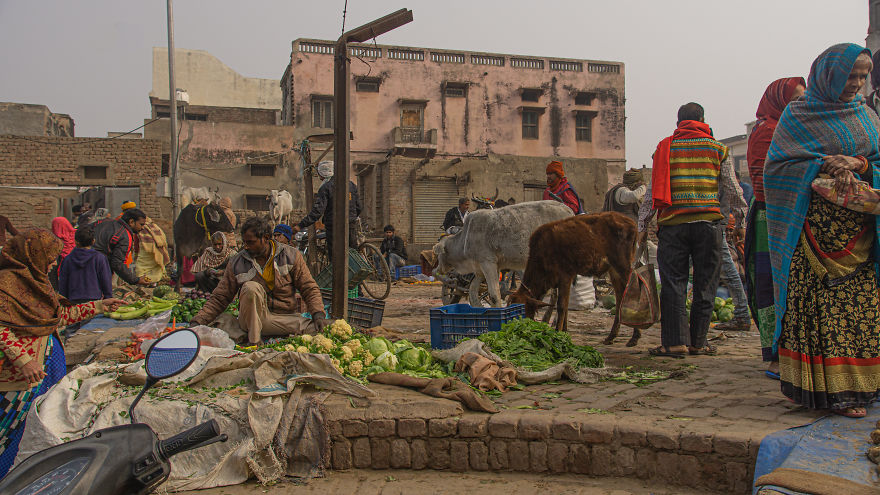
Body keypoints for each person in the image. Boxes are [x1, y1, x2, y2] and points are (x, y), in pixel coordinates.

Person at [765, 44, 880, 418]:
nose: (857, 83)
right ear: (828, 74)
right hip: (811, 234)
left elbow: (877, 160)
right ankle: (830, 393)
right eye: (850, 75)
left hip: (861, 235)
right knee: (820, 311)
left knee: (861, 311)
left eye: (863, 76)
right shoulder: (797, 116)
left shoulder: (868, 117)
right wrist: (824, 166)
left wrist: (858, 163)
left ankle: (862, 387)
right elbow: (778, 169)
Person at [0, 229, 124, 476]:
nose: (55, 262)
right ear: (33, 255)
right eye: (51, 257)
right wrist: (23, 360)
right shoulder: (6, 284)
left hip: (45, 367)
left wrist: (99, 306)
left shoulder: (36, 281)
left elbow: (58, 318)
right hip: (19, 377)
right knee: (13, 433)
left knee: (40, 426)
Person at [637, 102, 747, 357]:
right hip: (708, 227)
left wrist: (642, 226)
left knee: (674, 284)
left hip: (673, 226)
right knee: (705, 284)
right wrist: (740, 223)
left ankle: (675, 343)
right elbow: (733, 190)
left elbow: (653, 193)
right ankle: (699, 342)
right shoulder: (719, 149)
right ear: (703, 120)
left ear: (678, 123)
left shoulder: (665, 149)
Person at [743, 77, 806, 378]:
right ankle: (777, 357)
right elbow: (769, 179)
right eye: (794, 99)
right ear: (779, 100)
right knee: (775, 284)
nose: (800, 105)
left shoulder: (782, 128)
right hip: (773, 215)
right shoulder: (769, 131)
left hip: (784, 213)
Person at [189, 217, 327, 344]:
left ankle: (247, 334)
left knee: (322, 329)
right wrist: (198, 321)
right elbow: (220, 297)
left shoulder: (291, 255)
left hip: (280, 319)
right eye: (244, 242)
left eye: (251, 242)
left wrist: (318, 313)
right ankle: (254, 341)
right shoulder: (237, 262)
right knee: (251, 287)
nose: (246, 247)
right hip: (250, 320)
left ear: (266, 238)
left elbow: (308, 287)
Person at [294, 161, 362, 254]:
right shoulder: (351, 185)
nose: (320, 177)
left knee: (335, 255)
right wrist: (351, 218)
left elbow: (317, 211)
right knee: (353, 253)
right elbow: (359, 207)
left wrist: (301, 225)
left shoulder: (326, 188)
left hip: (333, 226)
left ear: (324, 173)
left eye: (320, 174)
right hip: (350, 225)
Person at [93, 208, 149, 286]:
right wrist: (135, 280)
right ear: (131, 222)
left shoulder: (104, 223)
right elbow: (117, 263)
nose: (142, 228)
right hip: (98, 270)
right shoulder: (124, 235)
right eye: (141, 224)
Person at [59, 226, 113, 303]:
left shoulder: (68, 259)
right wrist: (108, 298)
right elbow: (105, 280)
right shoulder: (99, 258)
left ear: (76, 241)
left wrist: (63, 301)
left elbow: (63, 283)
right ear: (93, 241)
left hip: (73, 300)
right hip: (94, 301)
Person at [135, 217, 170, 283]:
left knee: (141, 270)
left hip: (145, 255)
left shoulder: (140, 229)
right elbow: (164, 241)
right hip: (157, 253)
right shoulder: (156, 227)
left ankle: (144, 283)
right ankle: (154, 283)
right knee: (156, 269)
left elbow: (136, 244)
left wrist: (136, 254)